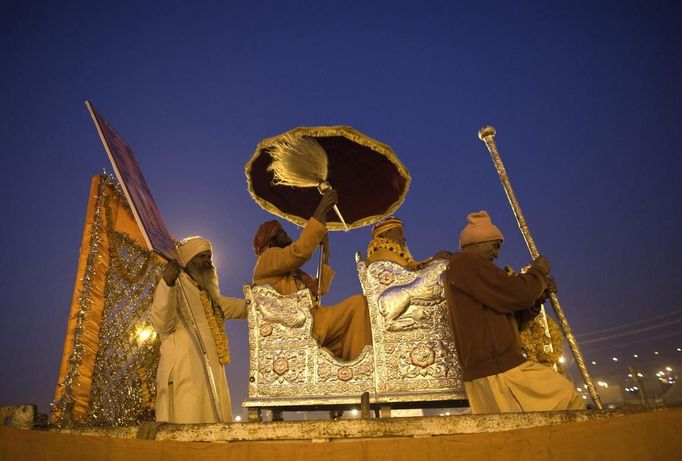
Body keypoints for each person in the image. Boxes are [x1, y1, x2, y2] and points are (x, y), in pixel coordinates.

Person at [445, 210, 584, 413]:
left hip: (500, 371)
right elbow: (517, 294)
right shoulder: (466, 264)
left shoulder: (472, 268)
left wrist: (539, 294)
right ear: (477, 243)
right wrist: (537, 272)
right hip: (501, 372)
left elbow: (514, 313)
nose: (497, 254)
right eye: (495, 246)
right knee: (566, 397)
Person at [252, 190, 372, 361]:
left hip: (314, 320)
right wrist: (321, 208)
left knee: (359, 306)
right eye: (282, 233)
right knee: (359, 304)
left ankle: (356, 358)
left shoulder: (291, 273)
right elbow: (299, 252)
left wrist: (325, 250)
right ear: (271, 241)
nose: (287, 235)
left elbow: (320, 289)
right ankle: (361, 360)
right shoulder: (267, 259)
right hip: (304, 325)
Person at [151, 236, 246, 423]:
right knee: (189, 420)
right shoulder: (175, 285)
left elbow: (236, 307)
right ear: (187, 260)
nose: (207, 261)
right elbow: (161, 323)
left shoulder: (207, 294)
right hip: (185, 373)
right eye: (201, 256)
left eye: (209, 257)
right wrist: (167, 283)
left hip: (211, 374)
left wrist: (262, 301)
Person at [366, 215, 451, 268]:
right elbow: (409, 274)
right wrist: (435, 260)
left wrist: (434, 260)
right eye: (399, 233)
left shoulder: (391, 252)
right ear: (385, 234)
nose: (403, 238)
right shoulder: (381, 254)